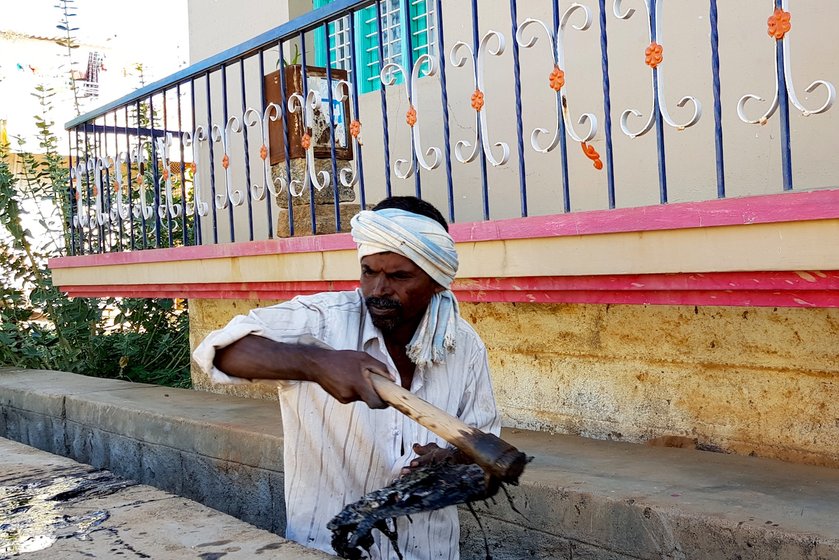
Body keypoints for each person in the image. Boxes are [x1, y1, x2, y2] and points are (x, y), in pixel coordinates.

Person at [193, 196, 500, 560]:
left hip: (431, 551)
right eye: (369, 271)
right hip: (325, 549)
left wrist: (449, 460)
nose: (378, 290)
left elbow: (486, 452)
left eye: (399, 276)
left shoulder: (464, 346)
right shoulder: (323, 320)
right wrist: (316, 362)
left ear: (437, 281)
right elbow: (220, 351)